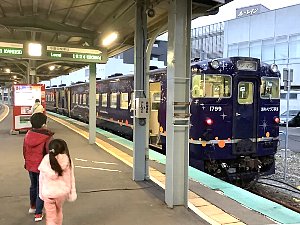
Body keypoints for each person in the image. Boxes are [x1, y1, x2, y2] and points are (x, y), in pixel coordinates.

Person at [23, 113, 54, 222]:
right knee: (41, 189)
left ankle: (33, 207)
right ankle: (38, 213)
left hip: (31, 166)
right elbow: (49, 153)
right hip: (42, 167)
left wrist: (27, 163)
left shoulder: (28, 134)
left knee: (33, 186)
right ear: (43, 124)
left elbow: (24, 151)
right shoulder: (47, 137)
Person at [38, 139, 77, 225]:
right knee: (59, 211)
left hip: (48, 193)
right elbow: (71, 177)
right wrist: (72, 192)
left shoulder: (46, 160)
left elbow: (41, 179)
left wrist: (41, 194)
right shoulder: (67, 160)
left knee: (51, 217)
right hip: (62, 193)